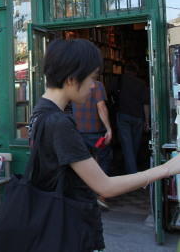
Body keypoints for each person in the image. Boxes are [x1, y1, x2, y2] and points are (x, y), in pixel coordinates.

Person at [14, 39, 180, 250]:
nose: (94, 86)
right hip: (66, 232)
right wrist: (167, 168)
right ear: (72, 79)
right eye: (92, 79)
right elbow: (105, 186)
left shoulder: (40, 112)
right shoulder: (59, 123)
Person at [71, 79, 113, 209]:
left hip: (77, 131)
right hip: (95, 132)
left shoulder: (71, 83)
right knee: (104, 160)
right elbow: (101, 107)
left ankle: (84, 196)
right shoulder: (97, 85)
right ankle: (101, 195)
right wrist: (108, 128)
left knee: (82, 163)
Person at [115, 62, 150, 174]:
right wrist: (147, 121)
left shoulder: (120, 80)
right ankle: (132, 167)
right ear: (136, 72)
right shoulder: (141, 83)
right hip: (138, 117)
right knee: (135, 144)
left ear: (125, 70)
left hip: (123, 115)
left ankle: (131, 172)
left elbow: (111, 94)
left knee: (127, 145)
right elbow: (146, 104)